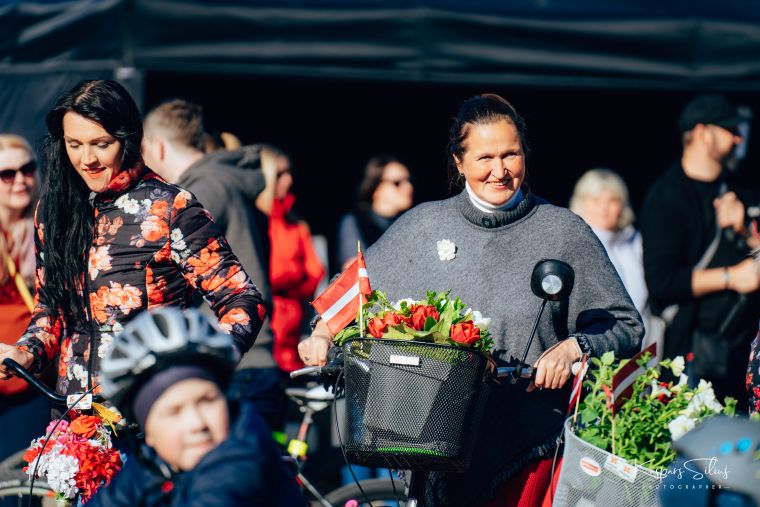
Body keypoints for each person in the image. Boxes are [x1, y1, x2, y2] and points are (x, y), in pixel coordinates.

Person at [299, 94, 643, 506]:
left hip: (531, 440)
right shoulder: (425, 225)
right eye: (485, 158)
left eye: (510, 155)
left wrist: (574, 347)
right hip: (435, 441)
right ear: (459, 162)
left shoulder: (564, 231)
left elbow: (626, 325)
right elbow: (359, 284)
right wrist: (320, 335)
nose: (499, 171)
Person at [0, 80, 265, 404]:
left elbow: (242, 298)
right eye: (74, 144)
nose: (87, 159)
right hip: (73, 413)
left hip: (151, 411)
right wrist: (26, 352)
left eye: (101, 143)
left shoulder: (171, 206)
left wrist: (199, 369)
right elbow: (51, 308)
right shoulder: (54, 209)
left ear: (127, 138)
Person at [142, 99, 281, 425]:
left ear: (157, 147)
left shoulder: (201, 191)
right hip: (251, 357)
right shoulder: (223, 181)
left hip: (234, 361)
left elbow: (158, 259)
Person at [90, 306, 305, 507]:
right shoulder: (154, 462)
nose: (196, 423)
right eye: (173, 412)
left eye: (207, 401)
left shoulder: (241, 461)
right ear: (148, 434)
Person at [640, 94, 760, 408]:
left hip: (737, 355)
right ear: (703, 132)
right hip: (689, 358)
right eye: (729, 130)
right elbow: (662, 283)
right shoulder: (666, 196)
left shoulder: (739, 191)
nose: (737, 138)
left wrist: (744, 233)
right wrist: (730, 277)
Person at [0, 134, 49, 460]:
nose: (20, 179)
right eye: (7, 174)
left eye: (27, 169)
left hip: (38, 381)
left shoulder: (50, 226)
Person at [254, 145, 325, 373]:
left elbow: (315, 272)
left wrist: (289, 285)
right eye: (279, 174)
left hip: (293, 327)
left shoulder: (296, 223)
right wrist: (288, 277)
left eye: (289, 173)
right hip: (265, 330)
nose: (288, 180)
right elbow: (262, 274)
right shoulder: (256, 220)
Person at [569, 168, 654, 347]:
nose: (604, 208)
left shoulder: (636, 243)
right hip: (598, 345)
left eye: (612, 200)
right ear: (581, 202)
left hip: (643, 346)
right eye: (596, 200)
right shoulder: (572, 244)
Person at [336, 155, 413, 269]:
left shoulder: (410, 222)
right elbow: (354, 269)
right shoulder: (355, 221)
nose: (409, 187)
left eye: (409, 180)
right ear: (376, 187)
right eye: (397, 182)